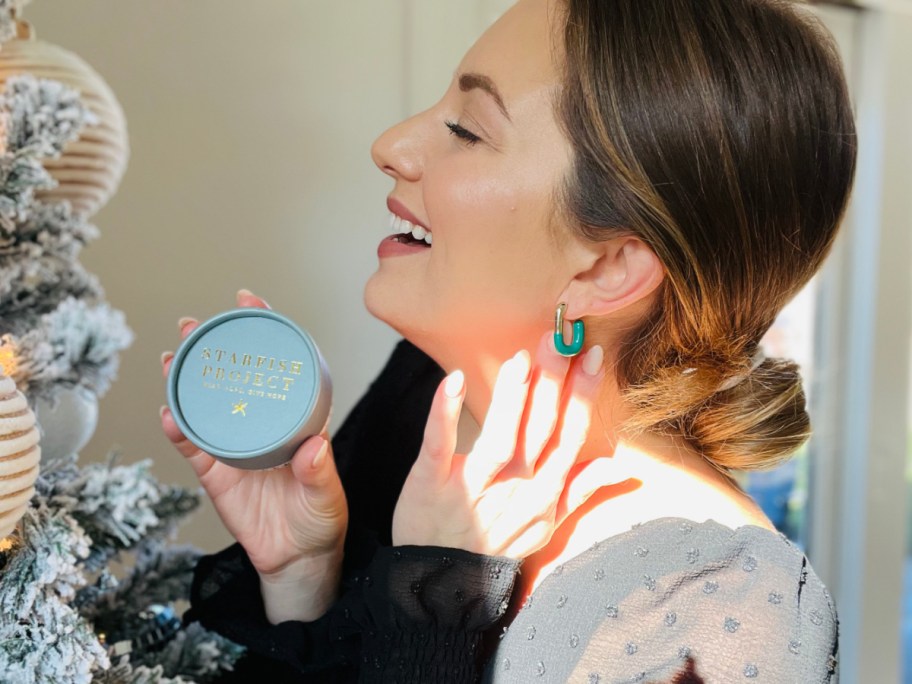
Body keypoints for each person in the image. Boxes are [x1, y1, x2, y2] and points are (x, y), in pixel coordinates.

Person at [159, 0, 856, 681]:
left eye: (466, 129)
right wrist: (303, 576)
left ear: (609, 265)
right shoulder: (425, 408)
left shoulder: (714, 603)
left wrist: (430, 610)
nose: (391, 145)